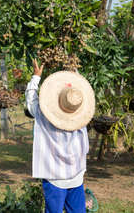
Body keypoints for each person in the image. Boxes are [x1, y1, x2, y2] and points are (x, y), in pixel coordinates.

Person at [25, 59, 95, 213]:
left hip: (53, 176)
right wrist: (74, 72)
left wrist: (36, 77)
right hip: (76, 175)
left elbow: (31, 101)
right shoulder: (81, 120)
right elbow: (78, 91)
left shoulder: (44, 117)